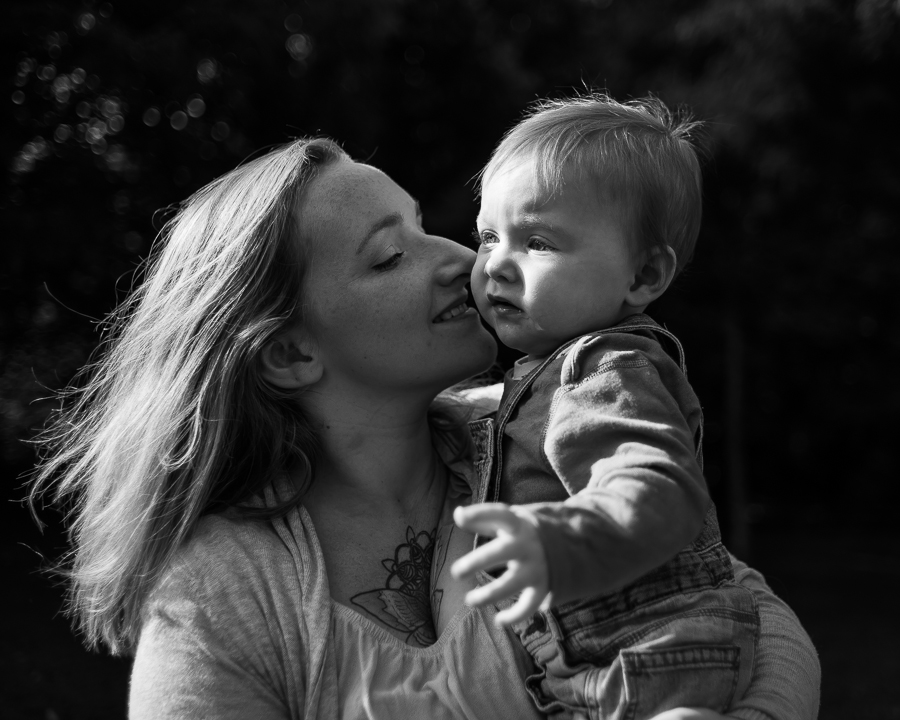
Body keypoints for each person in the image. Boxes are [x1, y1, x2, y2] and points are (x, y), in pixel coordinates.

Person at [29, 136, 819, 719]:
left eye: (424, 225)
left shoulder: (522, 429)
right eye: (388, 256)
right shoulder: (220, 591)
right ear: (292, 352)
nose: (454, 258)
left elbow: (754, 615)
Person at [451, 94, 777, 719]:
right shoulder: (552, 369)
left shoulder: (604, 367)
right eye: (488, 236)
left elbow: (658, 485)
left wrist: (561, 542)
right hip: (595, 658)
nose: (496, 263)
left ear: (643, 277)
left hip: (650, 641)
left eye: (538, 241)